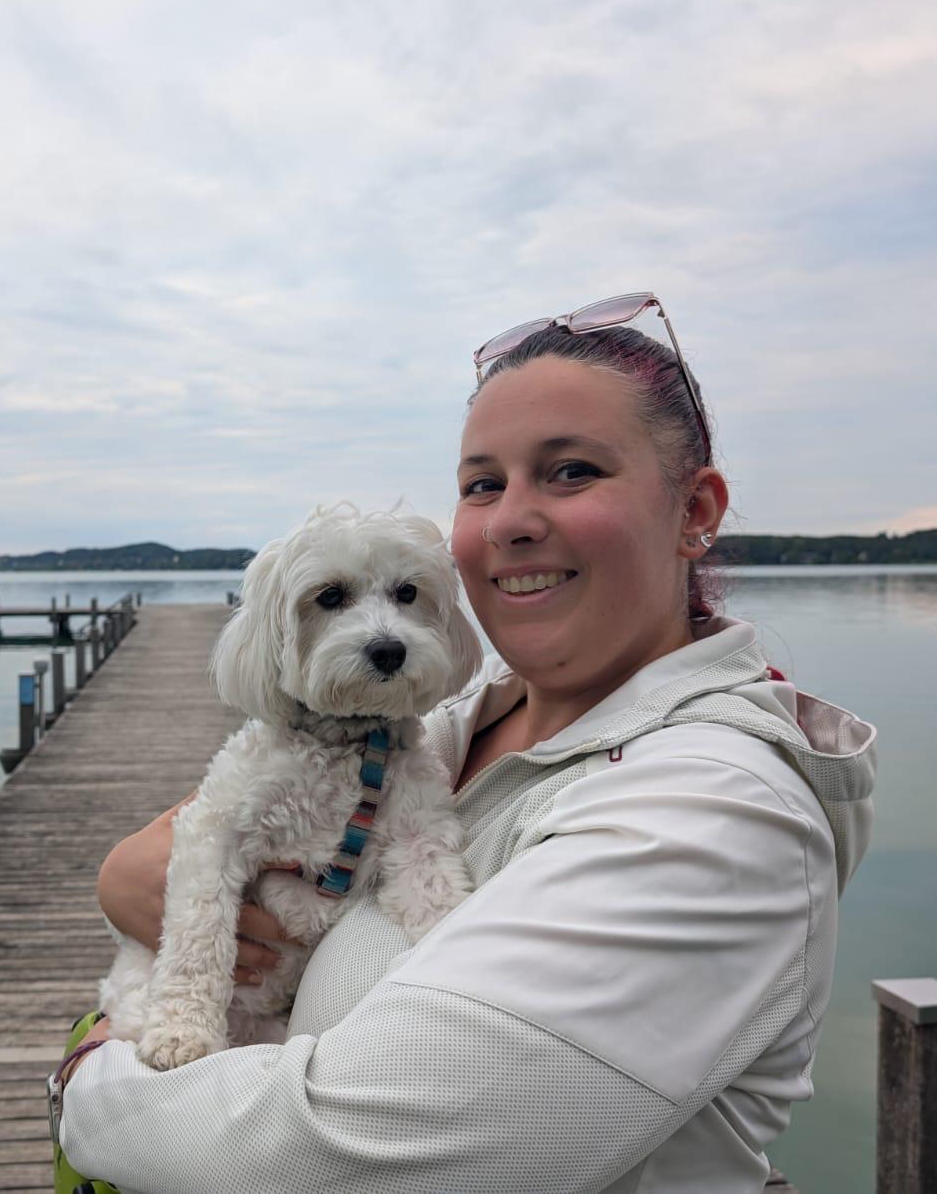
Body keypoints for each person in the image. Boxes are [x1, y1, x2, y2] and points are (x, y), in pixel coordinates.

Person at [55, 294, 877, 1193]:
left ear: (695, 511)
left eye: (571, 471)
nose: (512, 519)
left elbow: (326, 1158)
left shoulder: (714, 816)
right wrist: (124, 876)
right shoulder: (440, 731)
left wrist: (89, 1078)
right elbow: (199, 843)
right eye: (483, 484)